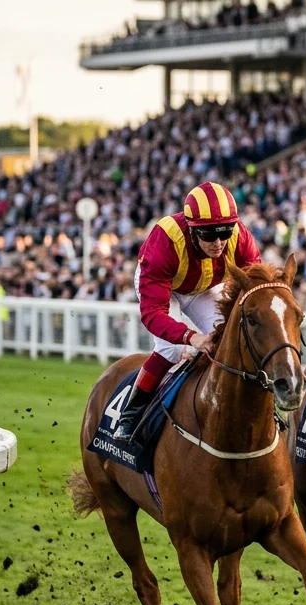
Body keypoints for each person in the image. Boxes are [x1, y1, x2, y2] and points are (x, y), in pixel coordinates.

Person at [111, 182, 262, 441]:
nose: (218, 242)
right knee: (171, 349)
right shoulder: (165, 240)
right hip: (165, 288)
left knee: (227, 339)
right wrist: (191, 337)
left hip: (205, 288)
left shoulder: (239, 237)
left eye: (225, 231)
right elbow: (153, 314)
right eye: (209, 234)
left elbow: (256, 284)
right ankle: (131, 413)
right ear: (192, 229)